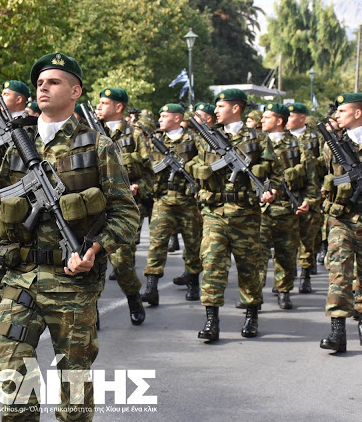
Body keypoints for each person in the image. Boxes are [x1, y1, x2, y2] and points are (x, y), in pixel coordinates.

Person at [0, 52, 139, 420]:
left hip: (72, 283)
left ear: (75, 91)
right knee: (14, 385)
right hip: (18, 279)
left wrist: (94, 249)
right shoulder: (18, 145)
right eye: (39, 83)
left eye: (53, 81)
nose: (43, 87)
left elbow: (126, 213)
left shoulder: (98, 146)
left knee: (74, 392)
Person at [192, 89, 282, 342]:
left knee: (249, 267)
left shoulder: (258, 139)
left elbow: (277, 172)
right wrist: (207, 171)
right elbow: (192, 165)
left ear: (235, 108)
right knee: (211, 264)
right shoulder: (207, 137)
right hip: (215, 212)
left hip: (246, 214)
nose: (216, 110)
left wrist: (270, 190)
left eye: (220, 106)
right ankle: (211, 320)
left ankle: (251, 313)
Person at [319, 93, 362, 353]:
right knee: (339, 272)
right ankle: (337, 331)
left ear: (357, 113)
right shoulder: (332, 145)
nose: (337, 115)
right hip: (341, 218)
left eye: (342, 111)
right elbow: (325, 177)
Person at [95, 87, 149, 325]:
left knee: (122, 261)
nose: (99, 106)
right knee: (89, 262)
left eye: (104, 103)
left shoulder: (135, 135)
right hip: (94, 207)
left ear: (119, 107)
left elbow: (151, 172)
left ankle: (133, 299)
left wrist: (138, 187)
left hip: (121, 208)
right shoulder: (90, 133)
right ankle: (90, 312)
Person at [258, 103, 317, 310]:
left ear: (279, 121)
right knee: (257, 254)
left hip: (286, 210)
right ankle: (254, 295)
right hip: (260, 210)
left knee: (286, 254)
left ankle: (284, 291)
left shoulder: (299, 146)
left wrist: (309, 201)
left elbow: (311, 181)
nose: (262, 120)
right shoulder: (255, 144)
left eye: (267, 117)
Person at [143, 103, 202, 304]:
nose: (160, 118)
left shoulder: (193, 140)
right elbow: (147, 165)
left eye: (164, 115)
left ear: (177, 118)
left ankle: (193, 281)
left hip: (188, 199)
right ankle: (151, 287)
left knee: (193, 242)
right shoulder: (156, 140)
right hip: (163, 199)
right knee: (157, 242)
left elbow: (203, 165)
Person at [287, 102, 326, 293]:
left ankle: (305, 275)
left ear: (301, 118)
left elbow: (326, 164)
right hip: (286, 195)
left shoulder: (317, 138)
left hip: (310, 192)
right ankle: (286, 277)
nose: (287, 120)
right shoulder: (281, 139)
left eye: (291, 116)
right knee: (287, 239)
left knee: (308, 238)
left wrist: (308, 166)